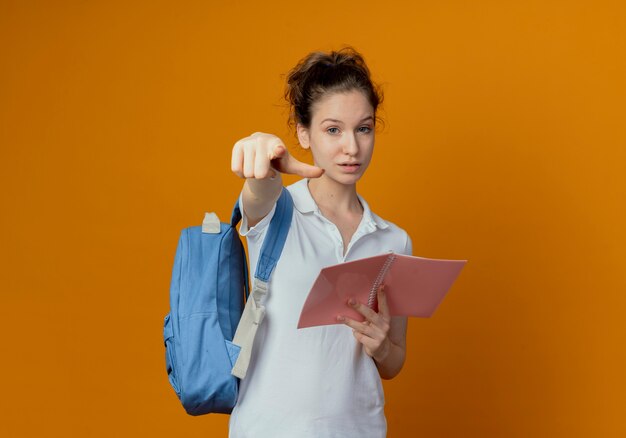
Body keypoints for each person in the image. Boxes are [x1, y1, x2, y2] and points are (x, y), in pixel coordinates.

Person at [229, 47, 413, 437]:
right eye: (333, 130)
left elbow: (394, 361)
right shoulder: (275, 209)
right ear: (303, 132)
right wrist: (259, 150)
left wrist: (381, 346)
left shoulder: (394, 240)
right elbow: (256, 189)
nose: (351, 147)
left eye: (363, 128)